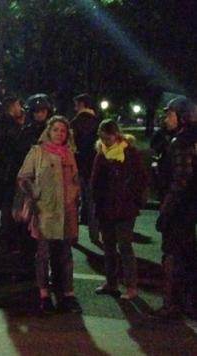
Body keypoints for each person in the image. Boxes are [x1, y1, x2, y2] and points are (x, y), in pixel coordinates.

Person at [17, 116, 82, 315]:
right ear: (49, 131)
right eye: (56, 130)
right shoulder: (37, 152)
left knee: (65, 255)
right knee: (43, 255)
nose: (59, 134)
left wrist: (74, 198)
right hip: (44, 210)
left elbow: (75, 180)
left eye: (63, 131)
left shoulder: (69, 154)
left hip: (66, 211)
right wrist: (34, 193)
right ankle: (44, 294)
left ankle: (67, 293)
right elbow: (23, 177)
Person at [91, 119, 148, 300]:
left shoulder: (129, 152)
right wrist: (97, 204)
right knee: (108, 247)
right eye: (102, 138)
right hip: (106, 208)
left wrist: (135, 200)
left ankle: (131, 287)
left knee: (125, 246)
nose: (106, 141)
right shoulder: (101, 154)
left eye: (108, 138)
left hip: (125, 208)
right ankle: (111, 283)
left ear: (116, 135)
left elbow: (141, 179)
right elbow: (95, 182)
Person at [155, 97, 197, 320]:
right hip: (190, 209)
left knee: (172, 255)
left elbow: (181, 179)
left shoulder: (180, 142)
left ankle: (172, 304)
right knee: (188, 256)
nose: (166, 118)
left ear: (182, 117)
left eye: (170, 114)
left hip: (179, 210)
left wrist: (165, 210)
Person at [0, 96, 28, 263]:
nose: (20, 108)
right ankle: (7, 241)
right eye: (18, 105)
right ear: (12, 106)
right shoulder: (15, 127)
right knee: (7, 207)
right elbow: (17, 151)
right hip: (10, 172)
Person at [70, 94, 100, 245]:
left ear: (82, 104)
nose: (75, 107)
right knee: (92, 200)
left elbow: (71, 146)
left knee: (75, 201)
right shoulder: (97, 122)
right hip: (94, 166)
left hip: (78, 165)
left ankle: (73, 235)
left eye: (76, 104)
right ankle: (94, 235)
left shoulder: (75, 123)